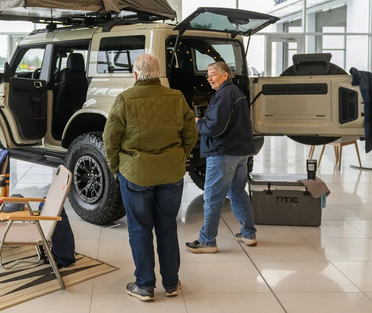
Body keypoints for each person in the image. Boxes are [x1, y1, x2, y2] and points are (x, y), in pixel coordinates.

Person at [103, 53, 198, 302]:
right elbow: (191, 132)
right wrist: (179, 156)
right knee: (167, 226)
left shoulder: (124, 99)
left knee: (139, 228)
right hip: (170, 172)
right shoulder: (176, 98)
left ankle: (144, 286)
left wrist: (116, 167)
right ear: (158, 74)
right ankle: (171, 284)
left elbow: (110, 139)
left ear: (135, 74)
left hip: (135, 174)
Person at [186, 61, 257, 254]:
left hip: (224, 152)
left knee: (213, 197)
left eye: (213, 74)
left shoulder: (224, 95)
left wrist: (199, 123)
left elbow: (216, 127)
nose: (209, 78)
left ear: (225, 75)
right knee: (237, 192)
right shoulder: (236, 92)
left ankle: (207, 241)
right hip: (241, 151)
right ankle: (248, 234)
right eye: (208, 75)